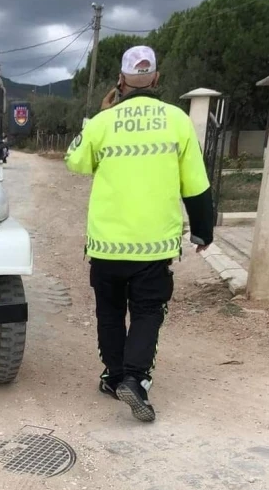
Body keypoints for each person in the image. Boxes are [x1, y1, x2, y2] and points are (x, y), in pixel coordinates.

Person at [64, 45, 214, 423]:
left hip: (107, 246)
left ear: (121, 80)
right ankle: (135, 377)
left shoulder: (103, 122)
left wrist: (97, 120)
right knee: (147, 312)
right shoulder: (178, 120)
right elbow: (196, 185)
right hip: (153, 247)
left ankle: (115, 376)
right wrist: (202, 231)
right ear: (157, 79)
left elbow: (75, 161)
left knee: (110, 312)